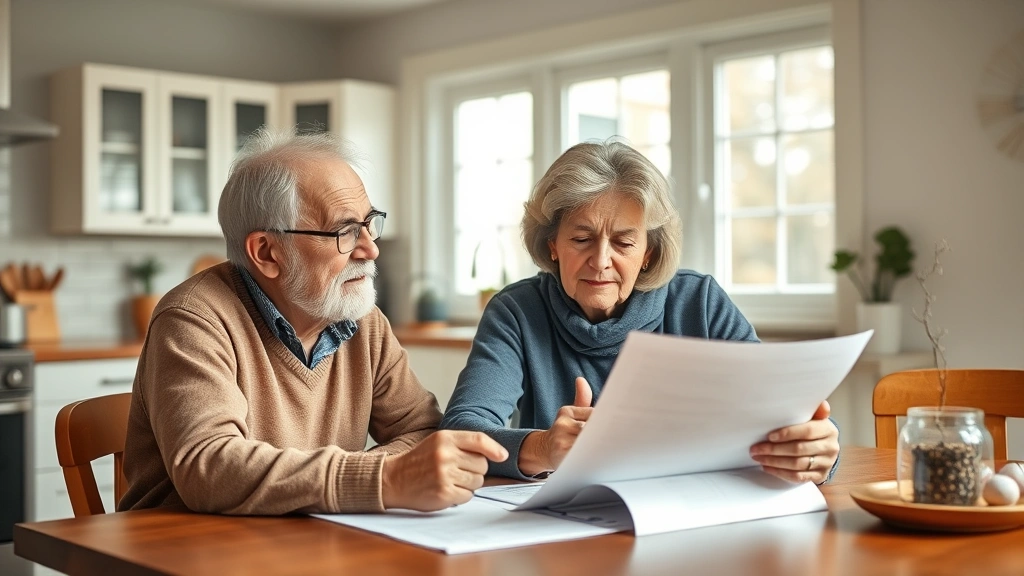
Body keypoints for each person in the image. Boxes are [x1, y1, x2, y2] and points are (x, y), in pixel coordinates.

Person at [120, 129, 507, 515]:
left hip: (313, 544)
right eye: (344, 231)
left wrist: (388, 473)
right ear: (267, 251)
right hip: (187, 554)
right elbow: (211, 468)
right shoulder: (193, 320)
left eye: (369, 222)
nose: (370, 248)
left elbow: (421, 431)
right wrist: (385, 478)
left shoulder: (362, 319)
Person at [440, 141, 839, 483]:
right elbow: (461, 429)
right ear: (552, 245)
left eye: (624, 243)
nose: (600, 261)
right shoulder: (516, 311)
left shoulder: (698, 303)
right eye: (581, 239)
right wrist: (542, 448)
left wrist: (816, 450)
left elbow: (785, 413)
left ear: (648, 252)